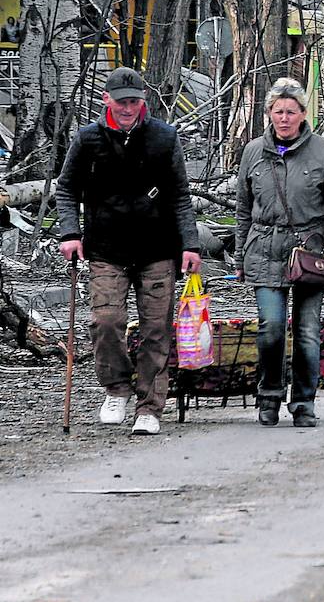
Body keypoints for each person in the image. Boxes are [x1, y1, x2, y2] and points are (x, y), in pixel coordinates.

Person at [55, 67, 201, 436]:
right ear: (107, 100)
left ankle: (150, 406)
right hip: (105, 249)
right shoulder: (87, 139)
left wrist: (190, 244)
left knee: (156, 329)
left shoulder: (164, 138)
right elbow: (67, 189)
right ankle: (116, 388)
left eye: (134, 101)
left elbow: (180, 196)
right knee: (105, 322)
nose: (127, 108)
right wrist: (70, 233)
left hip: (157, 249)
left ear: (143, 102)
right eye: (121, 102)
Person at [236, 78, 324, 427]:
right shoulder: (253, 152)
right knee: (270, 327)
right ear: (268, 113)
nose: (284, 118)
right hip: (265, 250)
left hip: (311, 253)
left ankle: (304, 402)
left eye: (291, 111)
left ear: (303, 114)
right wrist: (240, 256)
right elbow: (243, 208)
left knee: (306, 331)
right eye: (277, 111)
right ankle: (268, 395)